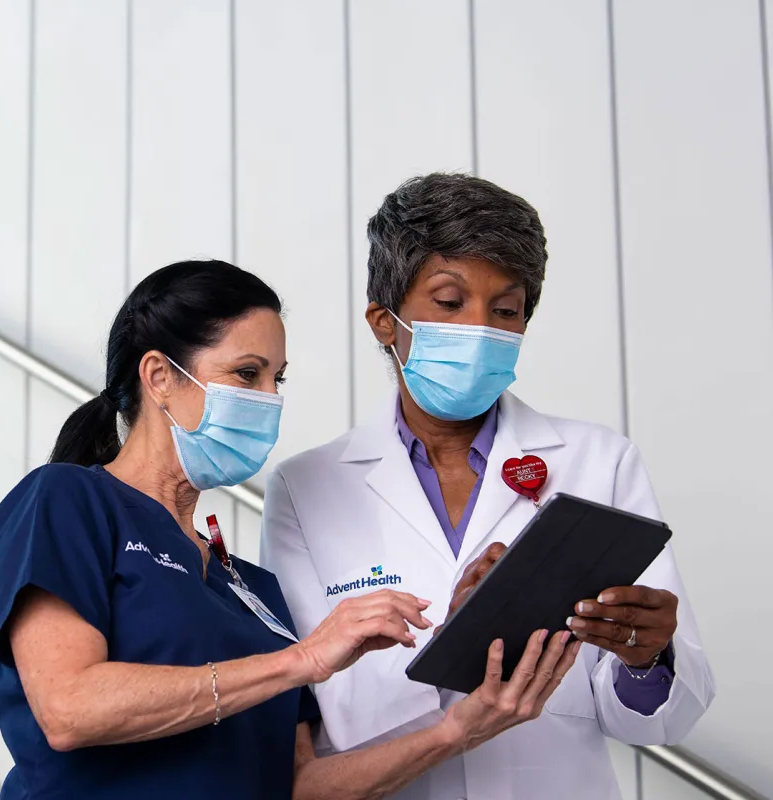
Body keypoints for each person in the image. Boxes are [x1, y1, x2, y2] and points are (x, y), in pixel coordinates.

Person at [0, 260, 578, 800]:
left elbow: (300, 786)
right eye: (247, 373)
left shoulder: (254, 590)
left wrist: (456, 730)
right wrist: (303, 659)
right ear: (159, 377)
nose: (269, 399)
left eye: (278, 379)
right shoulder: (66, 501)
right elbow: (69, 708)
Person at [261, 174, 717, 800]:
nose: (481, 329)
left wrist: (646, 662)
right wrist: (455, 638)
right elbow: (324, 697)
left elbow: (658, 717)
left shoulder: (599, 461)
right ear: (384, 321)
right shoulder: (304, 489)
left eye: (505, 310)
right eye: (450, 303)